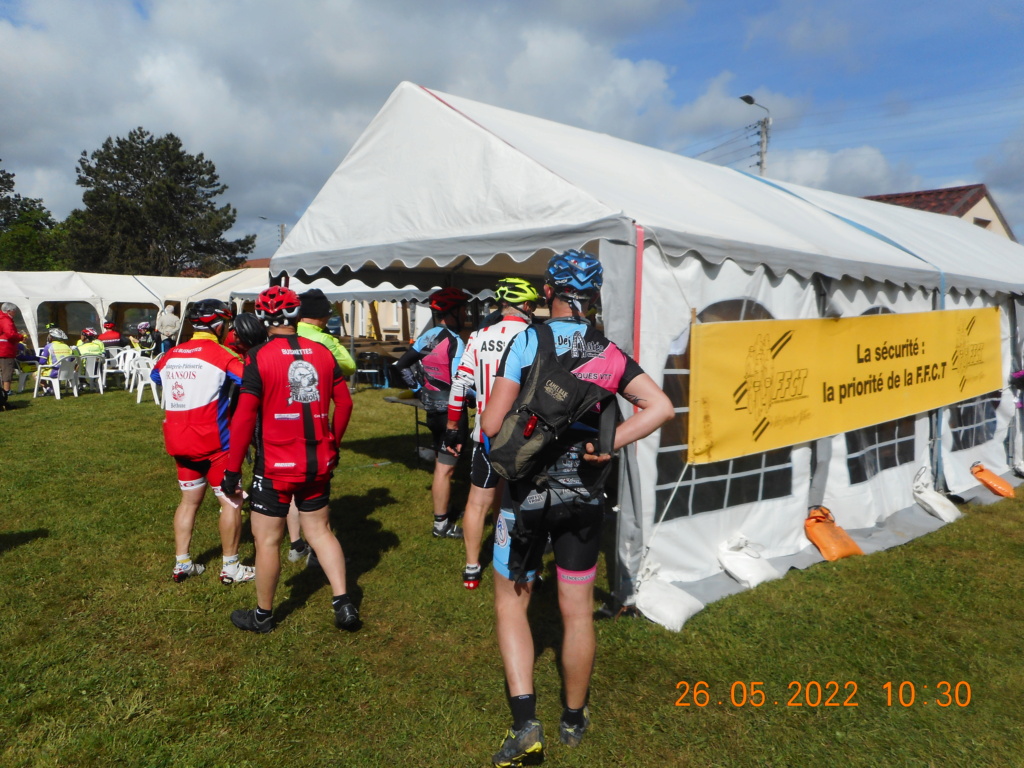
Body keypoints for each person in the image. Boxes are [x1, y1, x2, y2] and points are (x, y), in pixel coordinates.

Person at [481, 251, 674, 765]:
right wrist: (611, 445)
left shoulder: (528, 340)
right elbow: (660, 406)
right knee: (576, 611)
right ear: (593, 295)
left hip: (524, 495)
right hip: (585, 495)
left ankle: (526, 723)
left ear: (549, 291)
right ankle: (572, 718)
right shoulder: (609, 352)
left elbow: (491, 422)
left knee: (511, 600)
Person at [221, 285, 358, 634]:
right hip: (317, 459)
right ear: (298, 314)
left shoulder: (258, 357)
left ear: (263, 318)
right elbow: (345, 403)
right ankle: (343, 602)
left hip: (275, 464)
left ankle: (263, 616)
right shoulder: (323, 352)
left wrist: (232, 469)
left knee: (268, 540)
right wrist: (333, 444)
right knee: (321, 531)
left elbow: (242, 419)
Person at [150, 299, 256, 586]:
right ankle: (231, 567)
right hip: (214, 443)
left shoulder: (171, 353)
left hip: (177, 440)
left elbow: (156, 376)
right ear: (220, 326)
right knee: (231, 502)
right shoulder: (222, 354)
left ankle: (182, 563)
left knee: (188, 502)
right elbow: (251, 380)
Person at [444, 277, 539, 589]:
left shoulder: (478, 335)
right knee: (523, 500)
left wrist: (452, 428)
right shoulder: (534, 335)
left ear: (501, 305)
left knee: (478, 501)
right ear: (526, 306)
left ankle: (471, 567)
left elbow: (459, 384)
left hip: (485, 431)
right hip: (524, 435)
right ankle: (520, 562)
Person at [283, 288, 359, 564]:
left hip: (282, 419)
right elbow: (349, 366)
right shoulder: (325, 341)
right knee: (313, 490)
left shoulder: (287, 335)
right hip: (315, 418)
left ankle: (295, 544)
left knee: (290, 486)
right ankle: (316, 549)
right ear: (325, 317)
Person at [392, 287, 471, 539]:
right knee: (445, 469)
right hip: (451, 413)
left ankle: (444, 512)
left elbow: (401, 365)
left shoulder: (429, 336)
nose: (467, 313)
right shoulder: (456, 341)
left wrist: (419, 389)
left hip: (432, 410)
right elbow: (461, 382)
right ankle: (441, 524)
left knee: (441, 463)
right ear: (454, 312)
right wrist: (474, 397)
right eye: (464, 309)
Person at [0, 302, 24, 409]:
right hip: (5, 350)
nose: (15, 312)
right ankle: (6, 392)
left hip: (3, 348)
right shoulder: (6, 320)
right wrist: (20, 336)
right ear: (9, 311)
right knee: (7, 372)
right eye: (14, 310)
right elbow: (10, 334)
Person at [36, 327, 74, 394]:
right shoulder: (67, 346)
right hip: (67, 372)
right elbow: (72, 359)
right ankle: (53, 388)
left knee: (35, 374)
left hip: (54, 372)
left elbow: (42, 362)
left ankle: (49, 389)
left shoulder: (49, 346)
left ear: (52, 337)